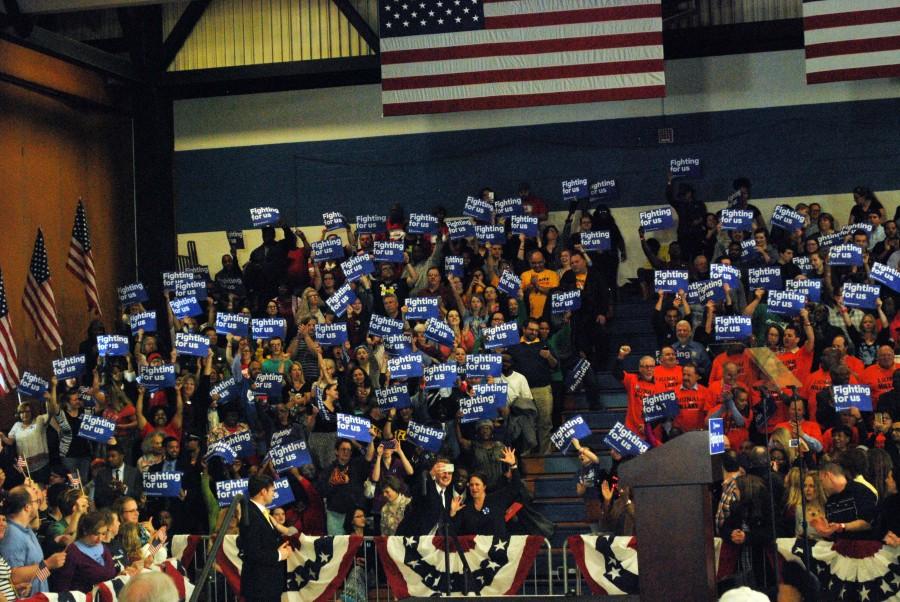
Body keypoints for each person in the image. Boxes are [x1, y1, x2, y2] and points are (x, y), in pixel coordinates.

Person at [0, 486, 67, 596]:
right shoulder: (12, 535)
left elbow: (37, 574)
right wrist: (48, 563)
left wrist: (49, 568)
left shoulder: (26, 529)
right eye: (36, 501)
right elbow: (14, 577)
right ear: (27, 507)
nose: (39, 506)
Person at [238, 475, 292, 602]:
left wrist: (277, 548)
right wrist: (278, 555)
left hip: (267, 584)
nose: (274, 494)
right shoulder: (251, 514)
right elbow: (253, 551)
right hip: (259, 586)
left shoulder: (261, 512)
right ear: (263, 491)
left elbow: (263, 542)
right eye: (272, 490)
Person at [52, 511, 117, 592]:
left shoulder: (104, 548)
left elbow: (111, 574)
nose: (100, 539)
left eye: (103, 534)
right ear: (86, 531)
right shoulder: (73, 552)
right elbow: (62, 586)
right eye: (96, 534)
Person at [812, 462, 877, 540]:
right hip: (838, 547)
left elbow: (868, 523)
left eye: (821, 481)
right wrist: (825, 531)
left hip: (863, 546)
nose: (822, 486)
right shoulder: (830, 501)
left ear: (828, 476)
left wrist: (842, 526)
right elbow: (833, 531)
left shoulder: (860, 491)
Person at [396, 458, 456, 536]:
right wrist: (430, 474)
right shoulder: (426, 486)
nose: (446, 476)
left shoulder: (448, 497)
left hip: (430, 543)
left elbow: (441, 522)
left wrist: (451, 513)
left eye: (449, 473)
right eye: (443, 472)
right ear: (435, 473)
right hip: (411, 538)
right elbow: (416, 492)